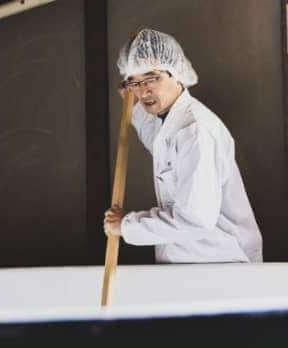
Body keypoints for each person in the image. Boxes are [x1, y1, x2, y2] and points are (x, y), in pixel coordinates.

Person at [103, 29, 263, 263]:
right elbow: (161, 144)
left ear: (176, 72)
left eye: (152, 78)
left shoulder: (195, 131)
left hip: (219, 266)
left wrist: (126, 226)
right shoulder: (172, 122)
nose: (144, 90)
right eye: (135, 82)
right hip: (195, 263)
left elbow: (195, 220)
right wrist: (135, 107)